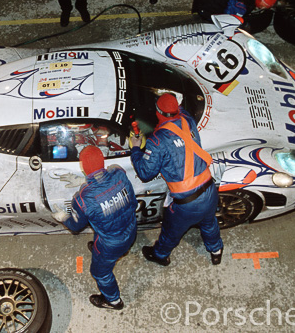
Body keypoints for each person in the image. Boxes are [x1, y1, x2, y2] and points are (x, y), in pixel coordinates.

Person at [129, 93, 223, 266]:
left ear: (158, 112)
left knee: (171, 232)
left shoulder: (157, 141)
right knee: (209, 223)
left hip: (187, 203)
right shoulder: (187, 119)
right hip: (209, 189)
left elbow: (145, 173)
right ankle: (216, 250)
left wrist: (136, 150)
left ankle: (159, 255)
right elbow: (179, 109)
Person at [51, 145, 137, 310]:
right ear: (103, 161)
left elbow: (76, 226)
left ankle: (113, 301)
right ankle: (122, 250)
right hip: (131, 229)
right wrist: (84, 181)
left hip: (111, 244)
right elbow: (123, 195)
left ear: (82, 167)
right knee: (106, 228)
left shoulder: (82, 199)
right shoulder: (119, 173)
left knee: (100, 273)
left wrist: (64, 217)